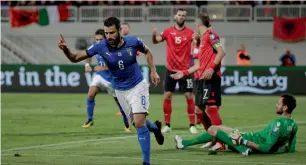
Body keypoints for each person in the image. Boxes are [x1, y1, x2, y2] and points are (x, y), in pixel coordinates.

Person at [58, 17, 164, 165]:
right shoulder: (100, 46)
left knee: (139, 123)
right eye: (106, 33)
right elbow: (75, 58)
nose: (109, 37)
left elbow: (148, 51)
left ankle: (146, 162)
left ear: (120, 30)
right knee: (138, 123)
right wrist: (66, 50)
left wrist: (153, 71)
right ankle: (155, 129)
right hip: (120, 90)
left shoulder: (134, 42)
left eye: (112, 33)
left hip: (137, 85)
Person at [174, 93, 298, 156]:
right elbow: (290, 149)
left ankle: (241, 148)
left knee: (213, 129)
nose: (276, 105)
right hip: (252, 137)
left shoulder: (278, 123)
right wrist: (278, 149)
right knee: (220, 128)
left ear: (285, 107)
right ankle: (184, 143)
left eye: (278, 103)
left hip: (250, 140)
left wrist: (243, 141)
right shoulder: (293, 124)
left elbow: (266, 148)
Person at [171, 13, 225, 150]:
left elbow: (221, 52)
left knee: (211, 108)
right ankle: (213, 137)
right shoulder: (200, 43)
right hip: (201, 79)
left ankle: (221, 142)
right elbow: (198, 65)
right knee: (198, 110)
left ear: (197, 24)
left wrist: (212, 68)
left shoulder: (211, 35)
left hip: (211, 77)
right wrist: (182, 73)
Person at [152, 8, 197, 134]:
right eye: (179, 15)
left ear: (185, 18)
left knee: (189, 95)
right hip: (170, 70)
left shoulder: (190, 32)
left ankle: (192, 124)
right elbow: (156, 41)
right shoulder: (168, 31)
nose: (181, 17)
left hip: (185, 71)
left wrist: (199, 39)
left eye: (183, 15)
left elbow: (198, 42)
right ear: (175, 16)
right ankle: (167, 124)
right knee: (167, 95)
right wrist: (153, 35)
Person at [82, 29, 130, 132]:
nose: (98, 41)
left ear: (105, 39)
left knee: (119, 102)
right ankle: (90, 120)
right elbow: (88, 55)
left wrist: (105, 68)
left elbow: (120, 64)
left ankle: (126, 123)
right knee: (90, 94)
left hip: (112, 78)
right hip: (100, 76)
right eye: (96, 39)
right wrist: (87, 65)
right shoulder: (95, 47)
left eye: (100, 39)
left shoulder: (112, 48)